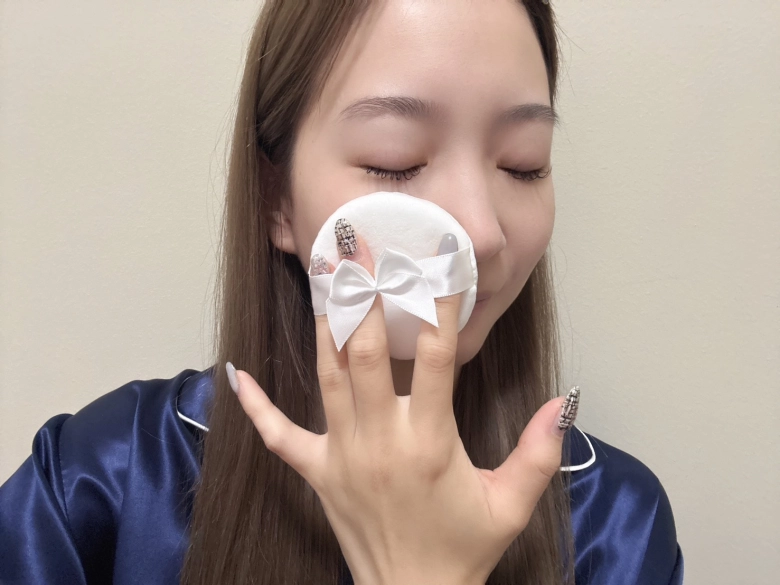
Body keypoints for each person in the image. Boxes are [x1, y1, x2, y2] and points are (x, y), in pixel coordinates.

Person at [0, 1, 684, 584]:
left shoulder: (613, 525)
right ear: (276, 198)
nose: (480, 233)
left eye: (523, 165)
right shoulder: (100, 482)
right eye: (396, 160)